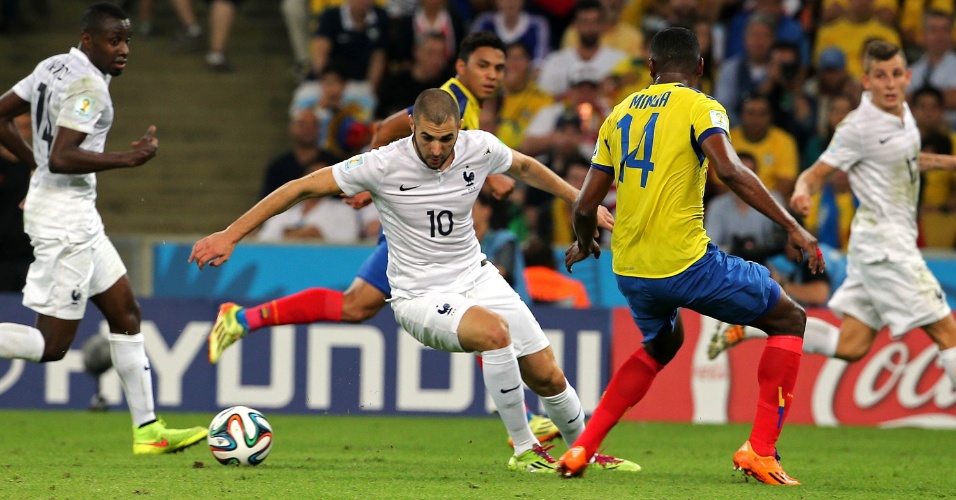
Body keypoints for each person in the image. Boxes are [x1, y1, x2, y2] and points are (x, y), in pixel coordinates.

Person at [190, 88, 639, 473]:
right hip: (419, 296)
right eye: (428, 138)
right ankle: (525, 451)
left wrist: (582, 201)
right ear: (413, 128)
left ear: (460, 129)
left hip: (476, 276)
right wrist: (231, 235)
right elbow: (299, 188)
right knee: (494, 335)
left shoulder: (478, 147)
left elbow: (524, 167)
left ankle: (584, 449)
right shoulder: (383, 164)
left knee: (547, 374)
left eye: (447, 139)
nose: (438, 149)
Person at [208, 31, 558, 446]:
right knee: (380, 307)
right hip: (413, 240)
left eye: (499, 68)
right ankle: (523, 419)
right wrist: (367, 182)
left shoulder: (469, 111)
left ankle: (242, 318)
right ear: (460, 66)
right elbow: (386, 129)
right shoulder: (450, 102)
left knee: (358, 307)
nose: (493, 75)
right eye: (483, 65)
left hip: (432, 237)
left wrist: (491, 177)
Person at [557, 27, 824, 485]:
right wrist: (793, 226)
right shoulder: (703, 107)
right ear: (701, 68)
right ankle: (760, 451)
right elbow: (730, 170)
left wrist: (585, 240)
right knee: (789, 319)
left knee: (664, 343)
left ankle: (583, 445)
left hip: (630, 268)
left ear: (651, 69)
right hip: (686, 263)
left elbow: (584, 205)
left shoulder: (618, 114)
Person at [0, 2, 206, 454]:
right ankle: (147, 428)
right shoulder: (89, 86)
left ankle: (148, 431)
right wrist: (127, 159)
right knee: (51, 346)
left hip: (75, 213)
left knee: (126, 312)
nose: (124, 49)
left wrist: (35, 166)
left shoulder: (52, 65)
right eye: (114, 41)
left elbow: (3, 114)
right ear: (88, 40)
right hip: (65, 222)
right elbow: (64, 155)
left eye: (127, 40)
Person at [707, 41, 956, 391]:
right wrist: (803, 189)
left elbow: (908, 160)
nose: (888, 83)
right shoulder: (859, 127)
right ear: (866, 81)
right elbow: (816, 171)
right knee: (949, 333)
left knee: (851, 346)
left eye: (895, 75)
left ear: (907, 78)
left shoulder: (904, 117)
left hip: (875, 248)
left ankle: (751, 324)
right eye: (880, 76)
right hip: (888, 250)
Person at [0, 113, 33, 292]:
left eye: (26, 127)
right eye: (16, 127)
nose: (21, 132)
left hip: (28, 256)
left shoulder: (37, 168)